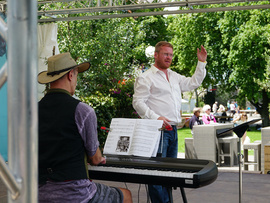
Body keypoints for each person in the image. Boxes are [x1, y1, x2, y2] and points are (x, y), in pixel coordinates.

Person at [38, 52, 132, 203]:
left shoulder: (32, 111)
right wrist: (99, 156)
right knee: (125, 194)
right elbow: (95, 159)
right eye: (76, 76)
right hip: (74, 194)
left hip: (39, 192)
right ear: (70, 75)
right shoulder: (82, 110)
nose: (76, 81)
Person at [132, 41, 207, 203]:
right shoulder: (146, 77)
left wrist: (201, 63)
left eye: (171, 55)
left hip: (173, 131)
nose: (169, 58)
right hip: (157, 132)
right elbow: (138, 102)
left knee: (169, 175)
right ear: (156, 55)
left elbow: (193, 82)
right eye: (166, 54)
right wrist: (156, 118)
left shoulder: (174, 76)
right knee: (156, 176)